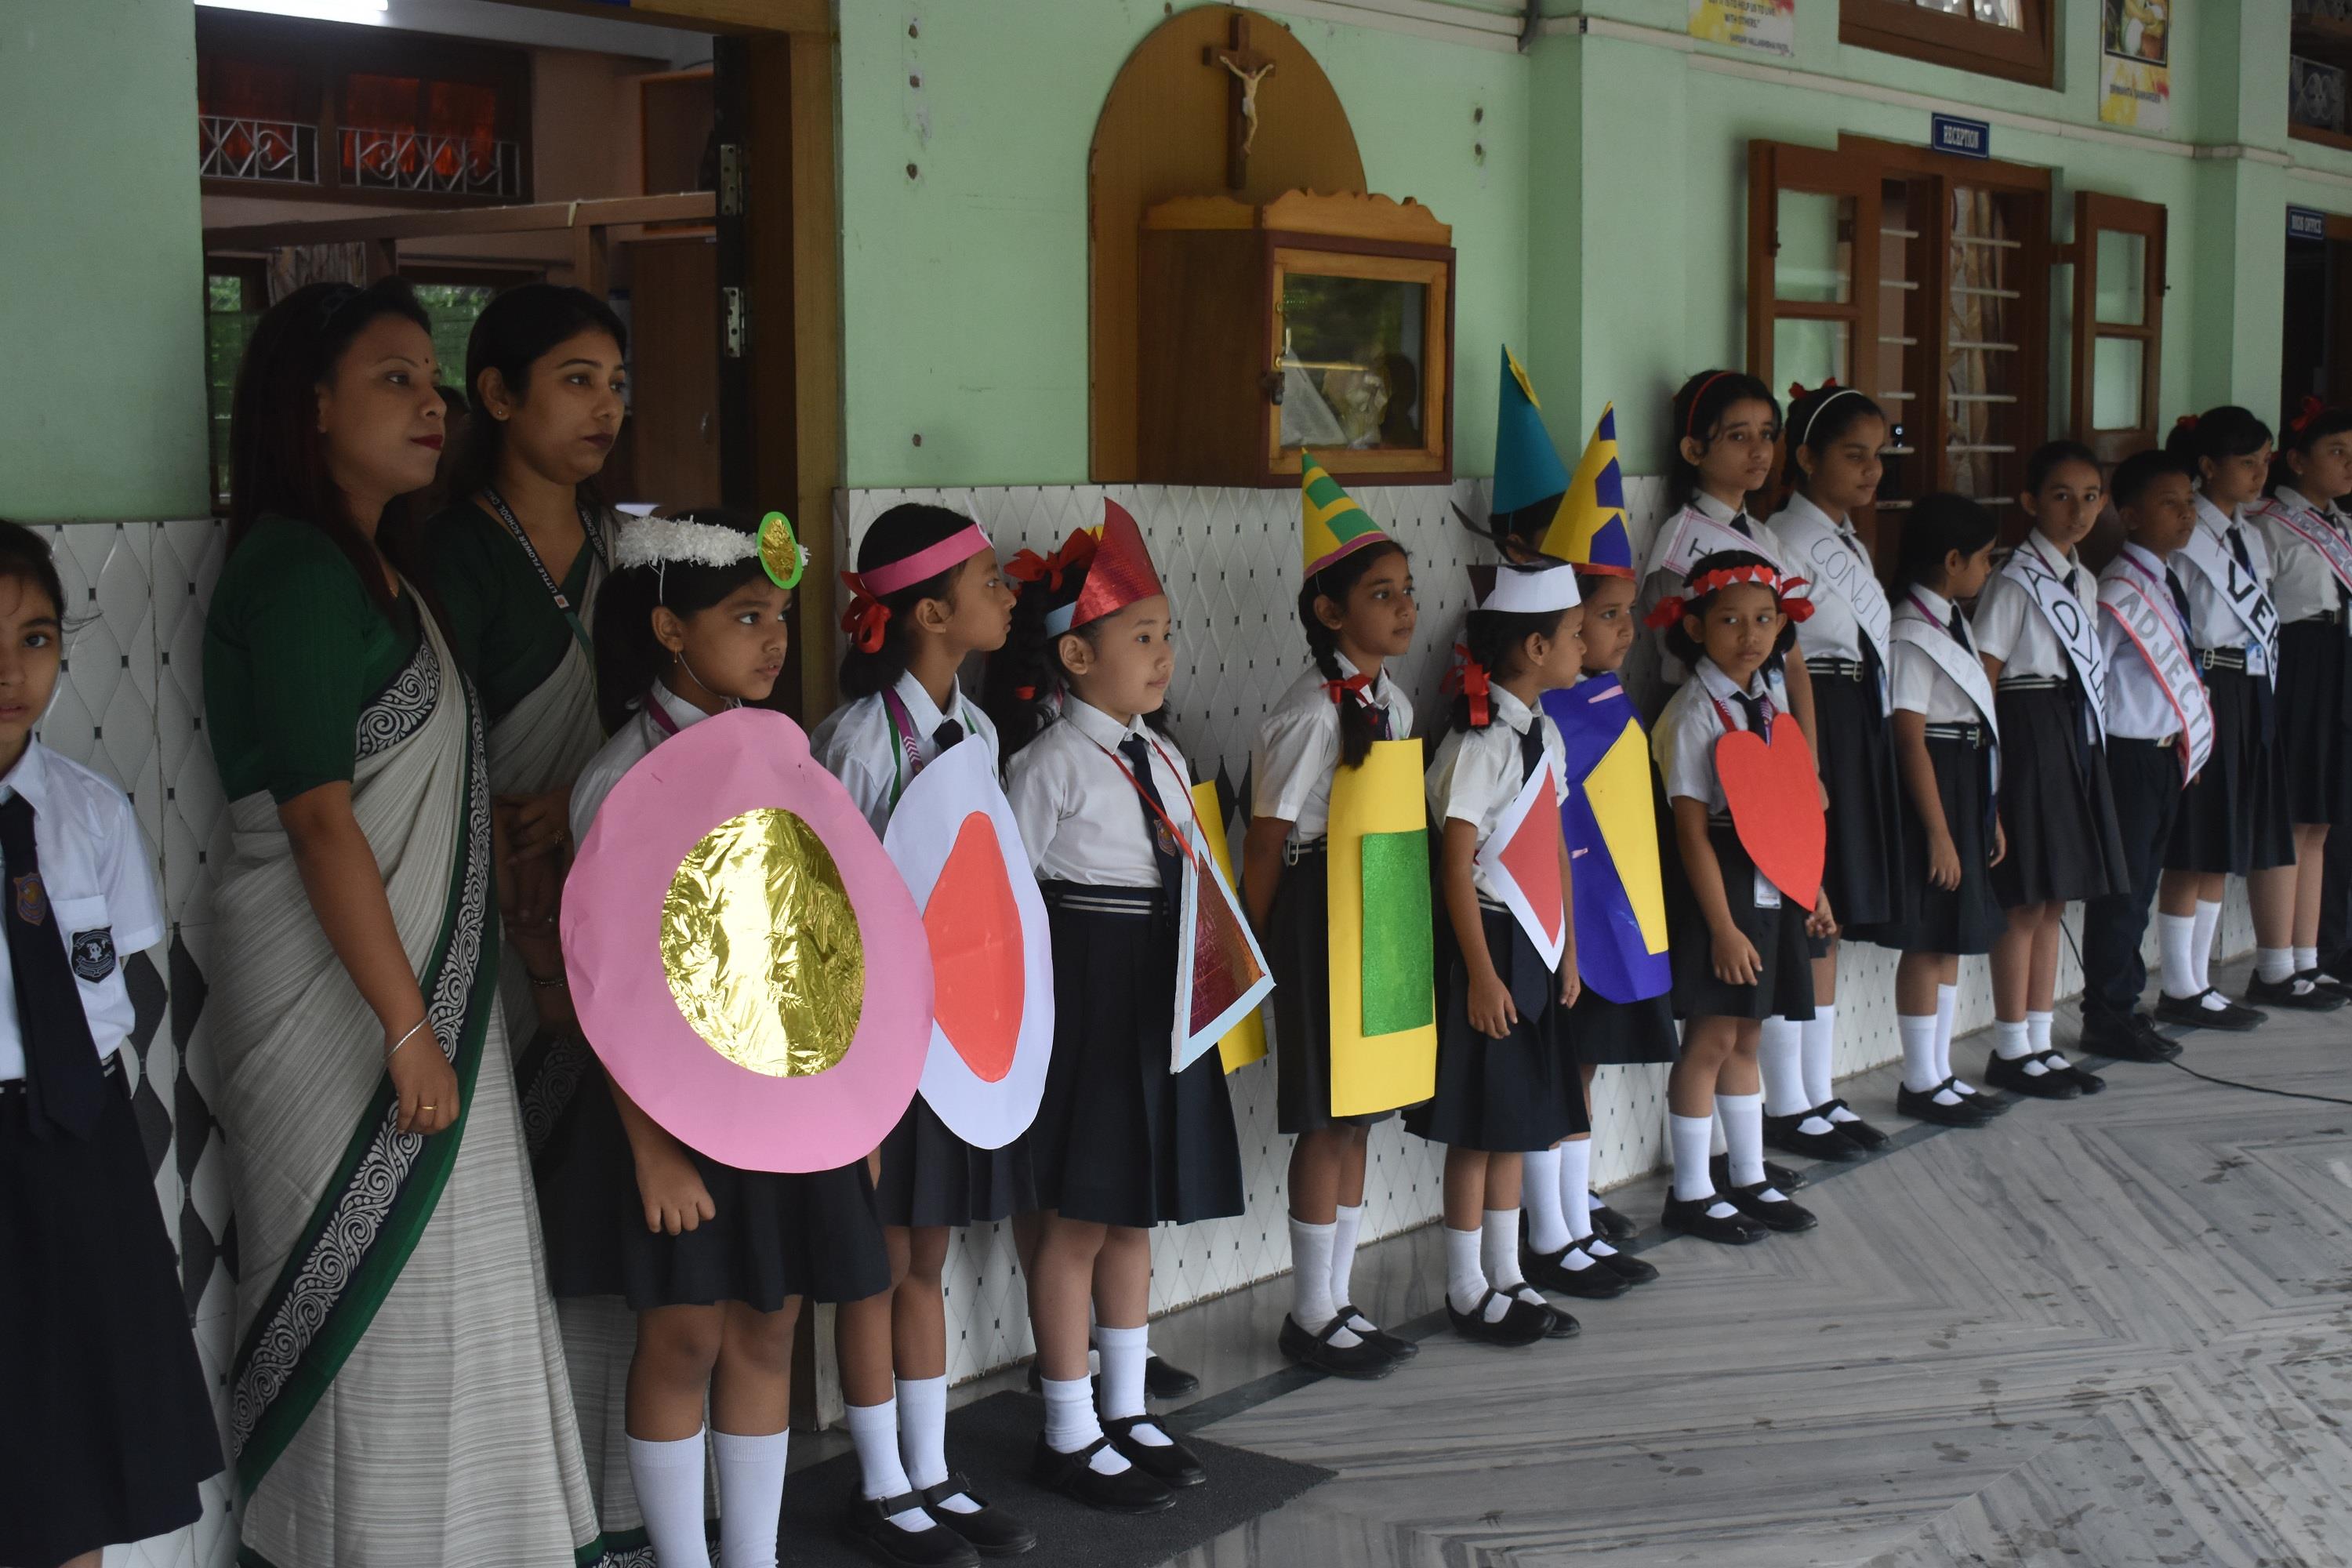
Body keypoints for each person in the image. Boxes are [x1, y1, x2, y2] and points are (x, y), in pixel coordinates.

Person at [201, 278, 601, 1565]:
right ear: (309, 407)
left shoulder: (379, 568)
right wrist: (404, 1027)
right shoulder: (295, 571)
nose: (429, 404)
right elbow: (323, 822)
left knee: (459, 1301)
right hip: (357, 1014)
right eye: (393, 380)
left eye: (431, 382)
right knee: (380, 1316)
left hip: (422, 1001)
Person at [568, 509, 894, 1568]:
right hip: (673, 1111)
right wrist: (652, 1149)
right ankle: (679, 1558)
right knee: (687, 1333)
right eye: (745, 618)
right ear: (669, 629)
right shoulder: (620, 779)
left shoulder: (792, 760)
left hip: (791, 1098)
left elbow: (835, 937)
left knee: (769, 1322)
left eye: (782, 620)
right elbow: (601, 985)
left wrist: (861, 1102)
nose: (772, 642)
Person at [410, 284, 648, 1547]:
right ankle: (530, 1502)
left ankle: (616, 1497)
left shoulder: (633, 554)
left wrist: (587, 792)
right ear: (496, 397)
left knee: (616, 1200)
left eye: (617, 381)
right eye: (575, 379)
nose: (607, 405)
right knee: (521, 1207)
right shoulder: (449, 556)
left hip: (618, 920)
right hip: (494, 929)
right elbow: (419, 755)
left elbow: (678, 730)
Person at [989, 503, 1243, 1513]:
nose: (1163, 654)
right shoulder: (1049, 763)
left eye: (1167, 633)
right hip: (1086, 995)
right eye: (1143, 637)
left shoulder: (1164, 756)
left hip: (1156, 993)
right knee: (1079, 1217)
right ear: (1076, 655)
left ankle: (1126, 1406)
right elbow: (1006, 899)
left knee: (1133, 1208)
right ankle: (1065, 1425)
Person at [808, 503, 1034, 1565]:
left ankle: (932, 1468)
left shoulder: (981, 732)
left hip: (952, 1049)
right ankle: (880, 1481)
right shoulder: (854, 746)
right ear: (932, 613)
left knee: (926, 1255)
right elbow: (830, 915)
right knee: (874, 1260)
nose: (1008, 595)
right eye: (991, 581)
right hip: (878, 1057)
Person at [0, 521, 223, 1568]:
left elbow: (115, 988)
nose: (12, 670)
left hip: (79, 1145)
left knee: (77, 1448)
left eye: (36, 640)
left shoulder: (91, 816)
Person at [1245, 479, 1421, 1380]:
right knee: (1325, 1116)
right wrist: (1261, 948)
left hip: (1376, 910)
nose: (1403, 606)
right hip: (1315, 918)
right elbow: (1268, 841)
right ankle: (1308, 1309)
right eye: (1380, 592)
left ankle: (1338, 1298)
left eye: (1406, 588)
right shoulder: (1310, 713)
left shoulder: (1399, 702)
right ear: (1328, 609)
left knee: (1360, 1114)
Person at [1410, 561, 1587, 1345]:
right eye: (1578, 635)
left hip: (1539, 949)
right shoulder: (1477, 745)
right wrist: (1480, 973)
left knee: (1521, 1122)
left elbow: (1553, 846)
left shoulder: (1544, 732)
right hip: (1489, 944)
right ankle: (1464, 1284)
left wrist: (1570, 949)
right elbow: (1455, 865)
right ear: (1537, 645)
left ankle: (1508, 1272)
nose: (1585, 646)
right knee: (1481, 1128)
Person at [1651, 551, 1832, 1244]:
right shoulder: (1692, 712)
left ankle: (1749, 1175)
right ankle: (1691, 1191)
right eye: (1729, 620)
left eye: (1764, 620)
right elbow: (1691, 833)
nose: (1750, 635)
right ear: (1695, 627)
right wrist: (1722, 928)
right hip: (1718, 883)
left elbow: (1789, 808)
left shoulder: (1770, 697)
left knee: (1751, 1032)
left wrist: (1810, 888)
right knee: (1712, 1035)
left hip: (1771, 878)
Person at [1523, 524, 1667, 1297]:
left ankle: (1572, 1206)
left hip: (1610, 919)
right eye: (1605, 615)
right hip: (1560, 925)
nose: (1624, 629)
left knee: (1586, 1065)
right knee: (1559, 1070)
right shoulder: (1549, 717)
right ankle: (1551, 1228)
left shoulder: (1608, 698)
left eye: (1625, 612)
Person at [1759, 382, 1900, 1161]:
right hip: (1810, 725)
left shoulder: (1849, 539)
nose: (1870, 470)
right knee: (1803, 917)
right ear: (1807, 456)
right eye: (1854, 454)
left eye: (1878, 456)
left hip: (1854, 721)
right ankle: (1788, 1101)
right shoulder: (1785, 537)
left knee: (1831, 914)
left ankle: (1818, 1090)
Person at [2154, 407, 2321, 1025]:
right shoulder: (2186, 530)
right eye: (2246, 462)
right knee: (2194, 841)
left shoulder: (2249, 533)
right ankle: (2179, 985)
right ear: (2207, 466)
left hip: (2250, 686)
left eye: (2264, 462)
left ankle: (2199, 982)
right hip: (2204, 683)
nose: (2259, 474)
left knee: (2225, 838)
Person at [1973, 442, 2126, 1098]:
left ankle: (2040, 1039)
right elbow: (1987, 674)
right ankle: (2011, 1047)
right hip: (2024, 732)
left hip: (2069, 731)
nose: (2079, 510)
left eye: (2092, 496)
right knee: (2024, 898)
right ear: (2031, 502)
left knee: (2056, 893)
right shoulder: (2013, 579)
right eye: (2062, 495)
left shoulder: (2082, 579)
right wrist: (1994, 774)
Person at [2079, 451, 2207, 1062]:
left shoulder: (2163, 579)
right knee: (2123, 893)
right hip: (2126, 758)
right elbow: (2095, 678)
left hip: (2162, 756)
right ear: (2129, 515)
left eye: (2189, 502)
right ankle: (2106, 1014)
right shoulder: (2117, 590)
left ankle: (2126, 1004)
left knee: (2143, 887)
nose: (2186, 515)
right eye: (2169, 504)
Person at [1885, 495, 2009, 1128]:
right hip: (1933, 782)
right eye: (1985, 558)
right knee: (1930, 937)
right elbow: (1909, 736)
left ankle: (1942, 1071)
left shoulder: (1954, 622)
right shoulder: (1912, 631)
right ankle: (1918, 1078)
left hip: (1964, 779)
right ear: (1953, 559)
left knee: (1955, 937)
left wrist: (1987, 812)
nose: (1988, 571)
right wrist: (1937, 831)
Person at [1636, 370, 1819, 746]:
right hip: (1706, 731)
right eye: (1738, 436)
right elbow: (1688, 664)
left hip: (1773, 725)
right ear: (1693, 450)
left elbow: (1793, 659)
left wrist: (1808, 756)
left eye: (1767, 434)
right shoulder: (1681, 544)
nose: (1759, 450)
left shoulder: (1767, 537)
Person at [2249, 400, 2352, 1000]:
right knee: (2289, 820)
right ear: (2296, 460)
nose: (2346, 465)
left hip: (2337, 666)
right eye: (2335, 452)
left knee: (2319, 821)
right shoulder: (2269, 527)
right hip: (2295, 669)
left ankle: (2308, 957)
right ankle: (2275, 965)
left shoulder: (2340, 523)